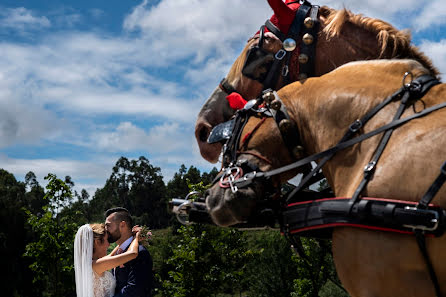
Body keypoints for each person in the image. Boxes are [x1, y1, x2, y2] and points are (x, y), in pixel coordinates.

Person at [74, 223, 143, 297]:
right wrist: (136, 238)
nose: (108, 245)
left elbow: (111, 255)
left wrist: (129, 237)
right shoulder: (96, 265)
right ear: (97, 242)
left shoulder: (92, 264)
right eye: (107, 240)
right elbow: (132, 253)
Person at [105, 207, 154, 297]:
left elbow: (134, 290)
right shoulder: (117, 252)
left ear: (122, 225)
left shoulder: (140, 253)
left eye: (108, 226)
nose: (105, 230)